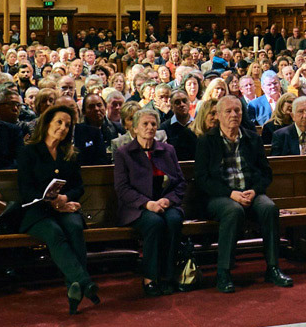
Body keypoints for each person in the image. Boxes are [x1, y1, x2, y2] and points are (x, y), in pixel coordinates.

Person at [194, 96, 293, 293]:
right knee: (233, 211)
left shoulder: (252, 138)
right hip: (220, 197)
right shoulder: (207, 141)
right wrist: (231, 194)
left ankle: (273, 268)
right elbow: (202, 179)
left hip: (250, 193)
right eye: (228, 111)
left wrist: (254, 190)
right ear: (219, 115)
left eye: (237, 110)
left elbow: (266, 173)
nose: (234, 115)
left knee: (269, 208)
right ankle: (224, 272)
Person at [16, 105, 99, 315]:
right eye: (59, 122)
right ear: (46, 124)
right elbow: (26, 190)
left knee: (74, 227)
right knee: (54, 232)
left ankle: (75, 291)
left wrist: (65, 198)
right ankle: (84, 281)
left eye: (67, 125)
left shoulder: (70, 153)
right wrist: (51, 202)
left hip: (64, 208)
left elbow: (78, 187)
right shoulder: (29, 151)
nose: (63, 128)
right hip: (37, 212)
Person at [114, 110, 188, 296]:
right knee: (154, 223)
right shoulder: (124, 153)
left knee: (173, 221)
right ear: (135, 128)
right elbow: (122, 188)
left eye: (153, 124)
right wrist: (147, 204)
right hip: (137, 207)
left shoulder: (168, 150)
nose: (150, 128)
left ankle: (168, 276)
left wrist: (168, 200)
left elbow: (180, 183)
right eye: (145, 124)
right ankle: (150, 277)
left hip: (166, 203)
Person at [74, 92, 117, 166]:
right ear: (84, 112)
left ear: (105, 107)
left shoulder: (116, 128)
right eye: (91, 107)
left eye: (99, 105)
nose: (96, 109)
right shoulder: (78, 132)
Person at [160, 89, 198, 165]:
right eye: (177, 102)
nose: (182, 104)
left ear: (189, 103)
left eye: (184, 101)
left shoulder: (198, 126)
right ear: (171, 107)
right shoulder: (164, 128)